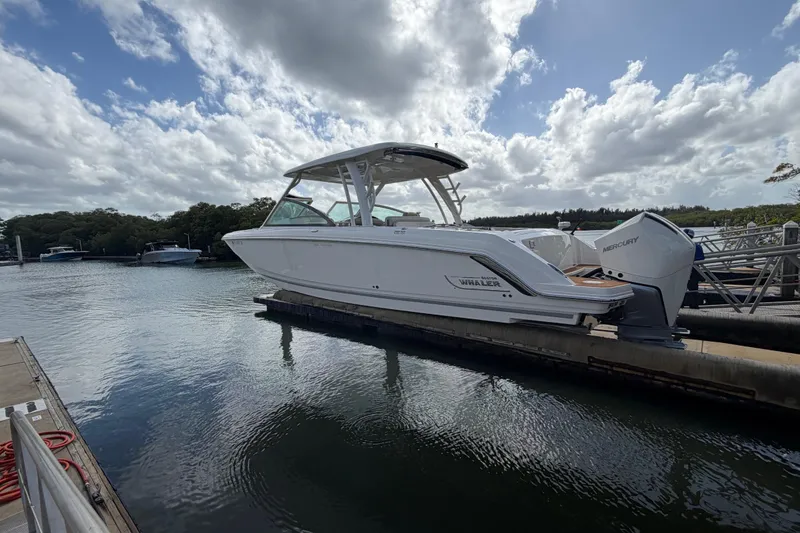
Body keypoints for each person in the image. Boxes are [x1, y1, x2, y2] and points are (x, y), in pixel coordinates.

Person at [683, 229, 705, 309]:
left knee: (680, 288)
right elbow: (701, 259)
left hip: (683, 269)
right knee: (694, 288)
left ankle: (681, 304)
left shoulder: (681, 246)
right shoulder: (697, 246)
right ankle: (694, 305)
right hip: (695, 269)